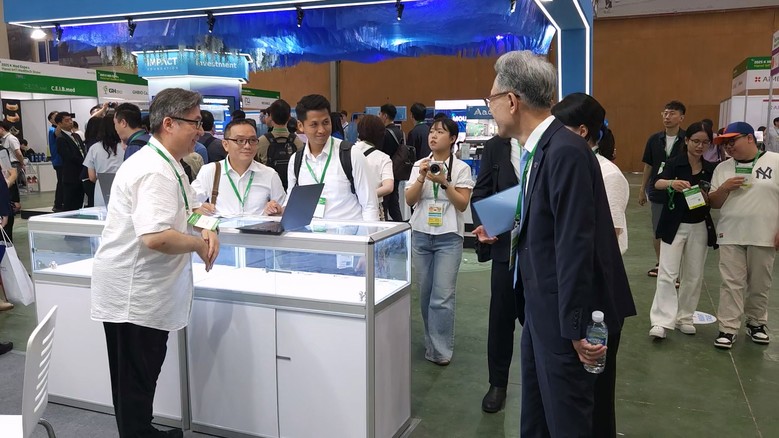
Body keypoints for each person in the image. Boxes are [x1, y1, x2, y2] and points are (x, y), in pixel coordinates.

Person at [485, 50, 635, 437]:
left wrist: (577, 326)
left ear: (512, 101)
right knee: (538, 417)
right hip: (540, 307)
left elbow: (575, 245)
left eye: (492, 99)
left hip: (563, 317)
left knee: (568, 419)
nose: (491, 108)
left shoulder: (564, 151)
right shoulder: (543, 149)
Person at [91, 88, 219, 438]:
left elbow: (192, 207)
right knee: (135, 379)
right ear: (169, 123)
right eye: (194, 122)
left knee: (140, 375)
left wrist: (208, 227)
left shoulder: (168, 163)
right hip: (134, 293)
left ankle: (141, 430)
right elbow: (156, 237)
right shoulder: (154, 170)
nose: (200, 130)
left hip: (145, 290)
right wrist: (199, 245)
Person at [405, 117, 474, 366]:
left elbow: (462, 204)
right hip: (421, 234)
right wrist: (422, 177)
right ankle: (432, 342)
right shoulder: (419, 164)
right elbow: (410, 200)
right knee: (425, 294)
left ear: (453, 139)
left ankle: (441, 350)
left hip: (449, 238)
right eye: (432, 131)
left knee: (442, 295)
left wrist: (444, 182)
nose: (433, 136)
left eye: (440, 132)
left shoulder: (461, 168)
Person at [708, 122, 779, 349]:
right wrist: (724, 188)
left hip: (764, 234)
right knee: (731, 283)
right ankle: (727, 328)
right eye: (725, 143)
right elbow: (714, 203)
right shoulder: (723, 168)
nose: (728, 147)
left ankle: (756, 323)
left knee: (760, 284)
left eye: (732, 141)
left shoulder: (775, 161)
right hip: (730, 233)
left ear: (749, 138)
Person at [648, 122, 718, 340]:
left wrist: (709, 197)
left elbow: (716, 197)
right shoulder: (673, 163)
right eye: (695, 141)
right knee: (667, 273)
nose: (700, 146)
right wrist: (672, 183)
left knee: (694, 275)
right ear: (686, 141)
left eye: (705, 142)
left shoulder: (711, 169)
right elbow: (657, 182)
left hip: (700, 225)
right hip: (674, 225)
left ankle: (685, 317)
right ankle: (661, 321)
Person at [471, 134, 522, 413]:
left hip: (543, 250)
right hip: (505, 248)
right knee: (501, 318)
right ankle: (497, 383)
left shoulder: (549, 142)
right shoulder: (495, 146)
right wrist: (485, 224)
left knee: (542, 319)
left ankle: (543, 380)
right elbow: (481, 191)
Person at [552, 93, 629, 255]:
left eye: (560, 130)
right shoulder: (564, 166)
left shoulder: (609, 174)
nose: (554, 136)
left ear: (582, 131)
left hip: (591, 263)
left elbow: (610, 235)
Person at [287, 94, 379, 222]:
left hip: (349, 233)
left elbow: (370, 205)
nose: (321, 130)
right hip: (313, 233)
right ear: (300, 126)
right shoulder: (296, 161)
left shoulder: (351, 154)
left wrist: (369, 234)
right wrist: (279, 209)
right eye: (314, 125)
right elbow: (291, 203)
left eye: (326, 122)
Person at [192, 118, 286, 217]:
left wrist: (277, 210)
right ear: (225, 145)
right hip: (221, 226)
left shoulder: (269, 174)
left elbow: (284, 210)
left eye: (252, 140)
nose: (247, 146)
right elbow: (189, 205)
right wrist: (200, 210)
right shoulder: (210, 171)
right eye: (240, 140)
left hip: (259, 227)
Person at [639, 100, 686, 277]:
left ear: (681, 117)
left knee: (680, 230)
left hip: (680, 192)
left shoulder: (687, 139)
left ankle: (678, 268)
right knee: (658, 230)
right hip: (658, 191)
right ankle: (661, 265)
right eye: (665, 113)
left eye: (672, 113)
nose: (667, 117)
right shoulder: (654, 140)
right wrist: (642, 189)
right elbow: (648, 165)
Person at [256, 99, 305, 190]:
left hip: (268, 188)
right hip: (292, 189)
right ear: (289, 117)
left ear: (271, 116)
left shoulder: (261, 142)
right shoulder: (298, 142)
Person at [355, 115, 394, 219]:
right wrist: (367, 196)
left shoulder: (348, 152)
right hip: (373, 209)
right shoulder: (383, 158)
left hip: (351, 208)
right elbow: (388, 187)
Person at [83, 115, 124, 206]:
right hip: (122, 186)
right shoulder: (125, 147)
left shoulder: (94, 148)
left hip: (101, 188)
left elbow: (92, 177)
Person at [55, 113, 86, 211]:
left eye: (71, 120)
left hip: (81, 173)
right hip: (71, 175)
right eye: (67, 120)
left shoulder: (76, 135)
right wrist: (84, 162)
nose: (70, 122)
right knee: (70, 204)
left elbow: (82, 150)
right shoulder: (61, 138)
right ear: (59, 123)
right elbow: (68, 156)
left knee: (79, 202)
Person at [380, 103, 405, 221]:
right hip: (397, 169)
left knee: (384, 202)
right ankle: (400, 225)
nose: (379, 116)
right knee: (394, 203)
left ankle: (384, 224)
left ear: (385, 116)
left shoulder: (384, 133)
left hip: (386, 171)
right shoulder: (400, 132)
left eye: (380, 114)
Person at [48, 111, 64, 211]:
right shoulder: (52, 129)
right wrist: (60, 123)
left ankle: (61, 202)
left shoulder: (61, 129)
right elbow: (56, 134)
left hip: (62, 160)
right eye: (56, 117)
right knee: (61, 182)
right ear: (51, 120)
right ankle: (58, 204)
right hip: (58, 160)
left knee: (63, 182)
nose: (58, 117)